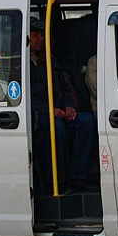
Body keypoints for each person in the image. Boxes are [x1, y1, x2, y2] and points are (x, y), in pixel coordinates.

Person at [29, 17, 98, 192]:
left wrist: (70, 106)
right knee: (56, 127)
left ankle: (79, 176)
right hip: (37, 115)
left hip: (60, 110)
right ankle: (58, 182)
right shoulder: (21, 64)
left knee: (87, 121)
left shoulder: (51, 60)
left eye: (41, 34)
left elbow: (65, 85)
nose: (40, 39)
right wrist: (50, 111)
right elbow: (24, 96)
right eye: (35, 34)